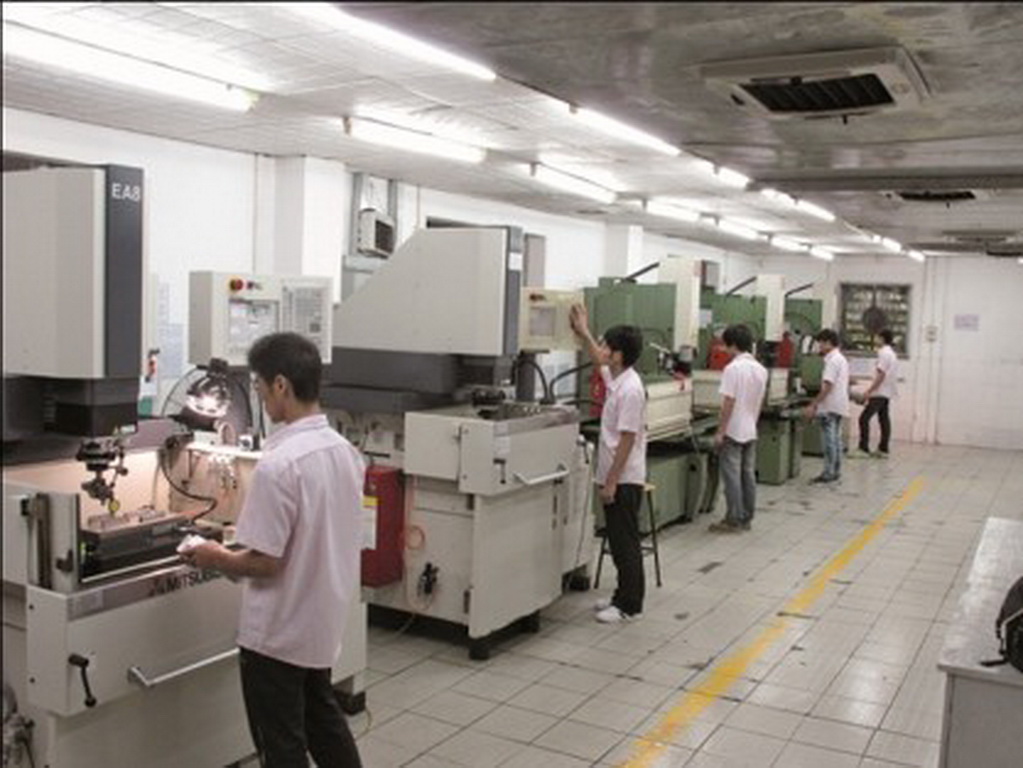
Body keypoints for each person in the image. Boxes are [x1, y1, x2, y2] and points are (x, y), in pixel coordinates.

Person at [182, 332, 365, 768]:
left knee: (281, 746)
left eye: (260, 387)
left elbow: (265, 561)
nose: (260, 398)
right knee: (324, 723)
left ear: (281, 385)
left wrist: (213, 556)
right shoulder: (345, 452)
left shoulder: (280, 465)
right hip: (319, 624)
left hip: (277, 636)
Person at [570, 304, 647, 624]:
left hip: (624, 478)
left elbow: (627, 439)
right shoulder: (618, 379)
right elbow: (597, 360)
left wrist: (612, 481)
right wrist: (583, 331)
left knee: (624, 543)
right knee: (616, 539)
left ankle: (630, 605)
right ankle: (620, 595)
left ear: (619, 355)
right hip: (614, 475)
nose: (601, 350)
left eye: (606, 346)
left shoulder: (631, 390)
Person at [709, 324, 768, 533]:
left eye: (726, 345)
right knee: (747, 475)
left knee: (732, 477)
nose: (724, 349)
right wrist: (753, 423)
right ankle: (746, 517)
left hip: (733, 430)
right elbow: (759, 401)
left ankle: (733, 519)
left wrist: (720, 431)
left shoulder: (732, 369)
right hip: (750, 429)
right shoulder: (761, 370)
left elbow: (729, 402)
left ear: (733, 345)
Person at [803, 329, 850, 484]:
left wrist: (813, 405)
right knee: (836, 440)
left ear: (829, 343)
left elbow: (828, 386)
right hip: (838, 405)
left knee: (829, 442)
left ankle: (828, 473)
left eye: (821, 343)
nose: (819, 347)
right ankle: (835, 471)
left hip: (830, 407)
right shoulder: (841, 358)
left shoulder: (832, 360)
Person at [851, 329, 897, 459]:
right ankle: (883, 449)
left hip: (879, 392)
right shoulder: (891, 353)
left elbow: (881, 375)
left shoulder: (884, 353)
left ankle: (863, 448)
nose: (875, 339)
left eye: (876, 337)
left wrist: (869, 391)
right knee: (884, 419)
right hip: (886, 392)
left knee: (864, 418)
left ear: (882, 338)